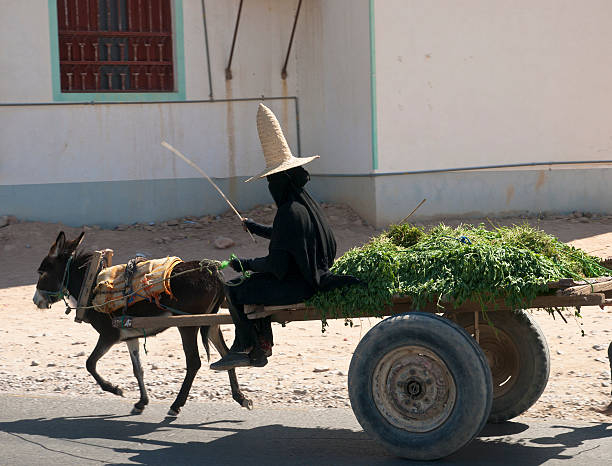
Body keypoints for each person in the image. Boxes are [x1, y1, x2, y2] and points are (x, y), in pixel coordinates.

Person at [210, 104, 359, 371]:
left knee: (234, 288)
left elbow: (275, 264)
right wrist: (255, 227)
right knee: (252, 282)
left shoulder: (289, 212)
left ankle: (246, 347)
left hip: (300, 285)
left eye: (272, 182)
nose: (271, 187)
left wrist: (245, 264)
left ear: (280, 183)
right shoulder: (305, 206)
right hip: (311, 275)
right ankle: (262, 342)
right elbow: (288, 240)